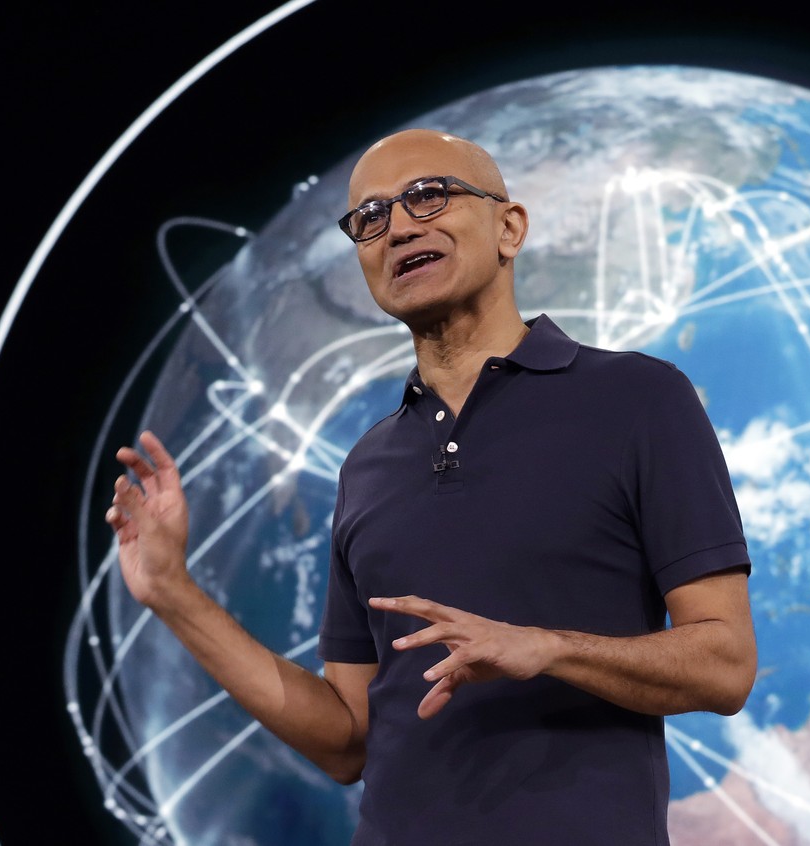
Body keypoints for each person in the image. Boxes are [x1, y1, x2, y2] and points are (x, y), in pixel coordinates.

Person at [107, 128, 756, 845]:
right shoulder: (368, 466)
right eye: (370, 218)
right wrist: (171, 590)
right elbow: (348, 738)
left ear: (509, 228)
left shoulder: (638, 399)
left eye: (428, 195)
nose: (398, 226)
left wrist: (545, 648)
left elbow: (725, 664)